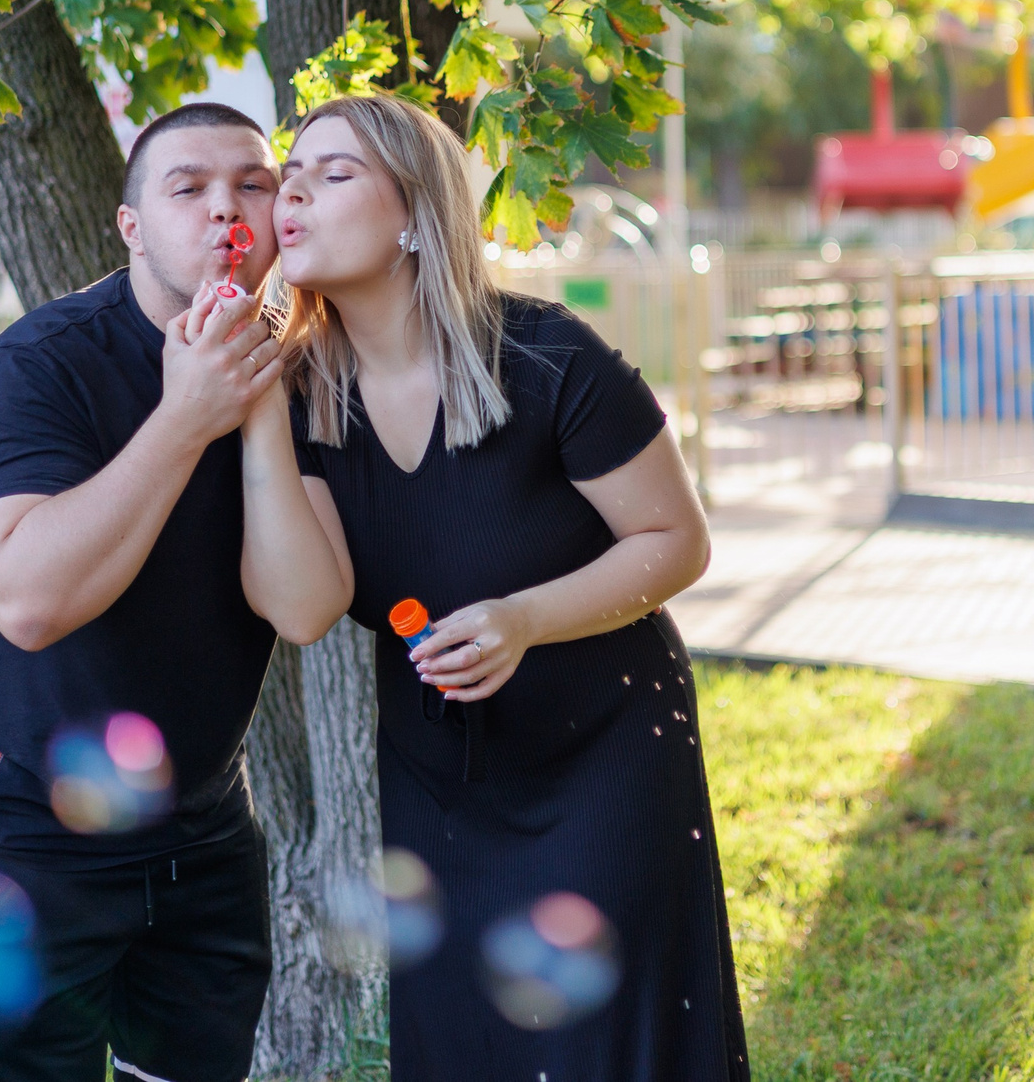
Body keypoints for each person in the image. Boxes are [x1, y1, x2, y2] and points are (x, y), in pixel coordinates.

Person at [272, 93, 749, 1081]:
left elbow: (676, 541)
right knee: (459, 1031)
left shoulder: (550, 359)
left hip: (606, 746)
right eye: (290, 175)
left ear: (413, 215)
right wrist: (240, 415)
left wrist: (523, 619)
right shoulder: (294, 398)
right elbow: (307, 603)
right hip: (437, 763)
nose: (294, 195)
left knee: (600, 1034)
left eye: (334, 173)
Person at [0, 102, 353, 1082]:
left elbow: (304, 608)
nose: (223, 210)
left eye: (252, 184)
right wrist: (186, 416)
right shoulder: (37, 369)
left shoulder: (303, 372)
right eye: (186, 189)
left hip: (196, 822)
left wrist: (256, 403)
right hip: (17, 821)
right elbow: (28, 601)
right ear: (133, 227)